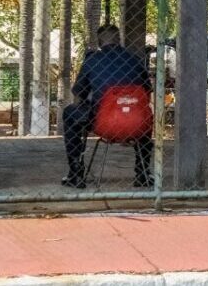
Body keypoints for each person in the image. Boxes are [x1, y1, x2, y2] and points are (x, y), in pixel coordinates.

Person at [61, 24, 154, 189]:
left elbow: (79, 95)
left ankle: (76, 173)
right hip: (136, 123)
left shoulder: (92, 61)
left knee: (70, 113)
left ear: (99, 42)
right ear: (119, 40)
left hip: (104, 122)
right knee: (146, 115)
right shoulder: (135, 60)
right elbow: (146, 93)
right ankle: (142, 172)